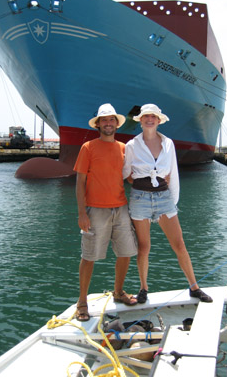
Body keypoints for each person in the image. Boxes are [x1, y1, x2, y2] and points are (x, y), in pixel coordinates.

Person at [123, 104, 213, 304]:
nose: (149, 119)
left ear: (158, 120)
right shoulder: (131, 146)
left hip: (164, 197)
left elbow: (173, 172)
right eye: (146, 116)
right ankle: (143, 288)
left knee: (179, 244)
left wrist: (172, 200)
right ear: (140, 120)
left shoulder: (169, 144)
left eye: (153, 116)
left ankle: (194, 287)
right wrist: (141, 184)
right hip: (140, 198)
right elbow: (126, 173)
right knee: (144, 247)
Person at [73, 103, 138, 322]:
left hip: (120, 208)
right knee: (89, 256)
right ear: (98, 124)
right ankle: (82, 302)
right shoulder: (88, 147)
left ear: (116, 124)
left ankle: (118, 292)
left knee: (126, 251)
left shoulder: (123, 148)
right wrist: (82, 213)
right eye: (104, 120)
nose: (108, 123)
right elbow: (80, 181)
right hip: (95, 210)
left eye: (111, 120)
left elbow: (129, 176)